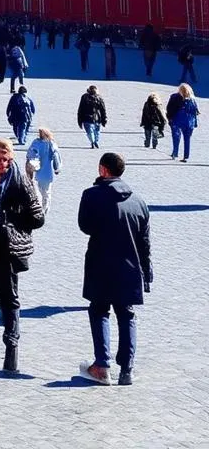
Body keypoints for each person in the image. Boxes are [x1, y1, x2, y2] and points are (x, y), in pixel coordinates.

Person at [77, 153, 152, 386]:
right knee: (126, 314)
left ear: (103, 170)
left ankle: (102, 365)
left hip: (100, 264)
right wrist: (147, 274)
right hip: (130, 267)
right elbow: (145, 243)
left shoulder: (91, 195)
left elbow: (85, 226)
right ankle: (127, 368)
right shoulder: (139, 202)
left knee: (99, 311)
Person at [0, 138, 45, 372]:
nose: (1, 164)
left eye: (5, 160)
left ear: (10, 159)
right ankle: (6, 330)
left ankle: (11, 346)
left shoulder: (20, 182)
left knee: (9, 297)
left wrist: (11, 221)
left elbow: (38, 218)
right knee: (5, 295)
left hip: (10, 248)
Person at [25, 127, 61, 212]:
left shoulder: (36, 143)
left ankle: (41, 208)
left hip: (37, 172)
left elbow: (30, 155)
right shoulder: (51, 143)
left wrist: (30, 166)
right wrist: (57, 168)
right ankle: (44, 209)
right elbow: (56, 157)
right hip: (47, 172)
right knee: (46, 192)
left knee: (39, 192)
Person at [166, 83, 199, 161]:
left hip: (177, 120)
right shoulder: (192, 100)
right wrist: (195, 123)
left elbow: (169, 108)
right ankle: (185, 157)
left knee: (176, 137)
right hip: (189, 122)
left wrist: (169, 118)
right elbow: (195, 112)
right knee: (187, 139)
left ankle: (175, 153)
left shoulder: (174, 97)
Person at [78, 85, 108, 149]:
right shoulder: (84, 97)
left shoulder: (99, 98)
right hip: (87, 118)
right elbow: (81, 109)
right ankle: (93, 142)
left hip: (96, 118)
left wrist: (104, 118)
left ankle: (95, 141)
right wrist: (79, 120)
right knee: (91, 132)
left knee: (96, 132)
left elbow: (103, 109)